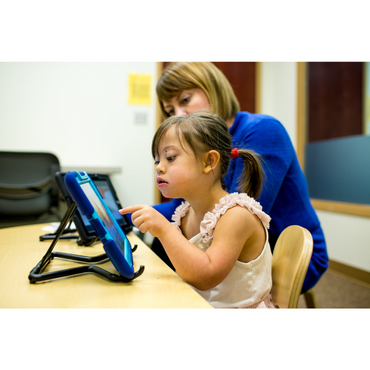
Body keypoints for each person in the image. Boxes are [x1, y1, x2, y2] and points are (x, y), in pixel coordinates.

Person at [151, 62, 328, 293]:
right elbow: (181, 208)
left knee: (167, 250)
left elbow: (234, 217)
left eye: (185, 100)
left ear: (213, 88)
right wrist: (127, 215)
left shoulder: (264, 130)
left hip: (287, 253)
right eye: (170, 110)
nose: (179, 115)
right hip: (235, 245)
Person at [120, 112, 275, 308]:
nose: (159, 167)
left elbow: (206, 276)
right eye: (157, 160)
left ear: (209, 162)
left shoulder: (237, 215)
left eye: (170, 157)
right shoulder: (185, 214)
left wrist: (164, 229)